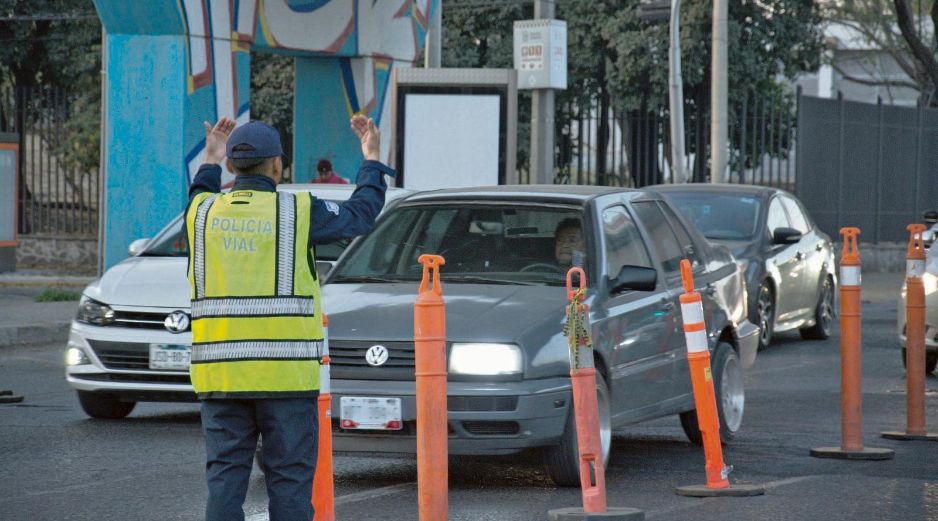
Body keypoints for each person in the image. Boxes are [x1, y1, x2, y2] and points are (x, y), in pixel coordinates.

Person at [185, 115, 394, 521]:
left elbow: (200, 189)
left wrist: (210, 157)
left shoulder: (201, 214)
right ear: (278, 165)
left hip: (220, 378)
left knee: (225, 484)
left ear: (231, 166)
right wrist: (371, 157)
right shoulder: (298, 211)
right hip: (285, 379)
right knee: (290, 484)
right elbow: (362, 214)